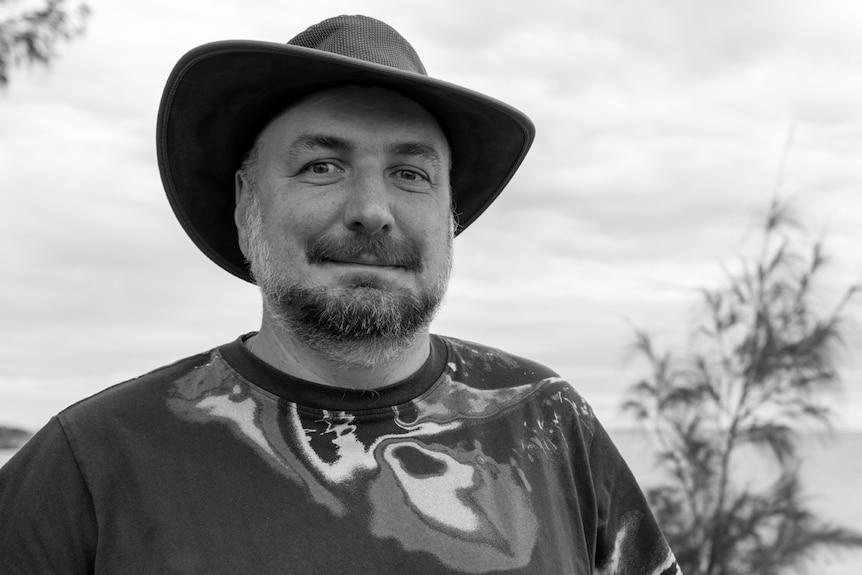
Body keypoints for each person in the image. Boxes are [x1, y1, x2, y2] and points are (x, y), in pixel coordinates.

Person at [0, 15, 681, 574]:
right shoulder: (91, 466)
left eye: (410, 172)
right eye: (322, 165)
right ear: (247, 204)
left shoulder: (546, 426)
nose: (372, 210)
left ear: (450, 218)